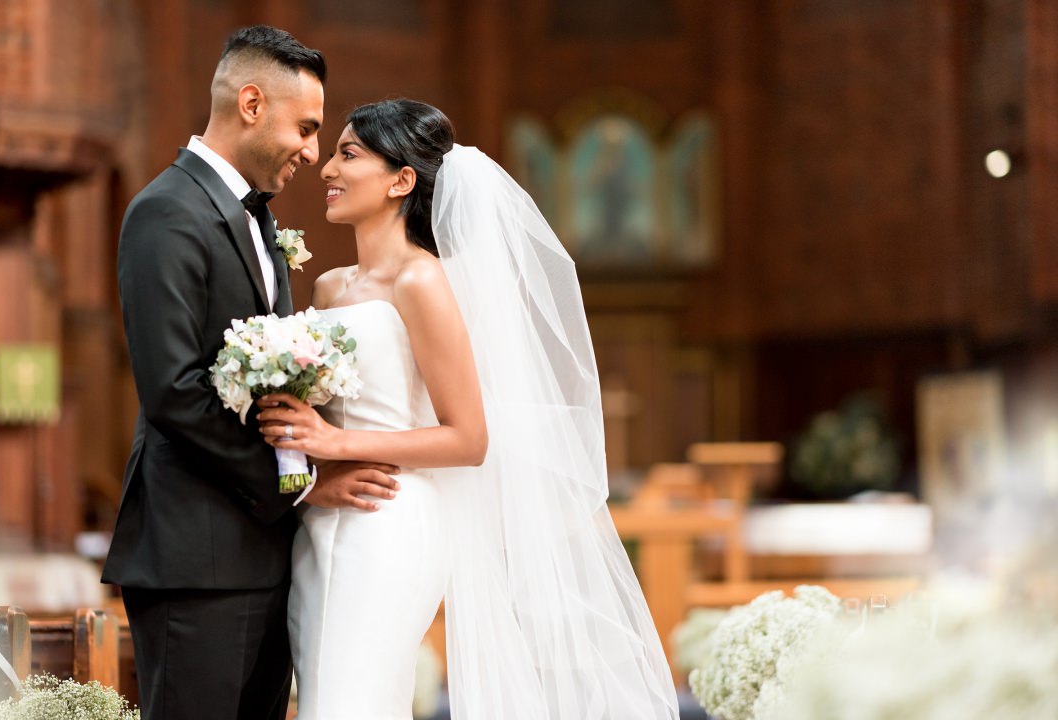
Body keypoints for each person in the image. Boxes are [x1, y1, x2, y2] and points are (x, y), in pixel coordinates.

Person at [257, 99, 680, 719]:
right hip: (323, 519)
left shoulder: (423, 283)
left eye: (349, 155)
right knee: (334, 698)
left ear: (402, 180)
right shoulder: (328, 287)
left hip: (389, 520)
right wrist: (313, 472)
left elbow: (468, 438)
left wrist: (338, 445)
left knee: (349, 703)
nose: (326, 170)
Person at [102, 27, 399, 720]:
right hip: (195, 561)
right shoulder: (165, 214)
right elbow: (174, 392)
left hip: (264, 556)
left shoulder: (258, 221)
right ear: (252, 102)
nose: (313, 151)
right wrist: (301, 482)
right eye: (305, 127)